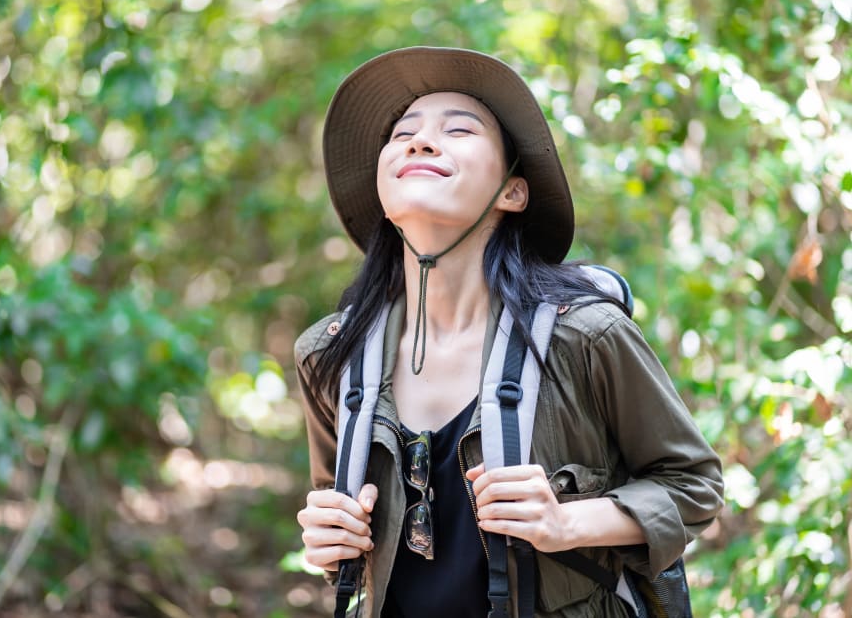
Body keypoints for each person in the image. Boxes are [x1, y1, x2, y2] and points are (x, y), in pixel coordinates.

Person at [294, 47, 723, 617]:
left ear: (512, 192)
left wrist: (565, 522)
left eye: (458, 129)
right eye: (402, 134)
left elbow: (693, 486)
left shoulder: (585, 336)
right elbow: (340, 523)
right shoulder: (331, 354)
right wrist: (329, 541)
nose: (419, 142)